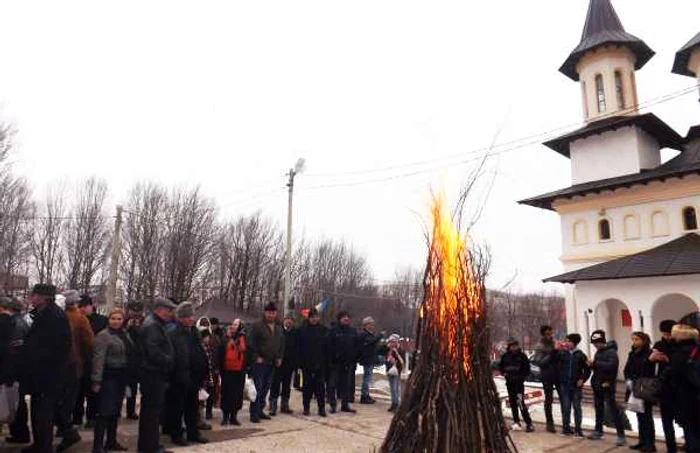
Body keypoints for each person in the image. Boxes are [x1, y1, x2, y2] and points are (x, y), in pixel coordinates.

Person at [21, 284, 72, 453]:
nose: (31, 297)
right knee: (37, 412)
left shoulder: (54, 316)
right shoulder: (42, 313)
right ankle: (39, 444)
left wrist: (31, 351)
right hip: (39, 375)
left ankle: (44, 447)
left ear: (44, 297)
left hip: (48, 376)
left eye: (34, 295)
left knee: (44, 414)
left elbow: (57, 347)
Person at [91, 308, 135, 453]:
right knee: (104, 412)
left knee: (115, 412)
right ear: (108, 320)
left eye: (119, 319)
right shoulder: (103, 336)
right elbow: (98, 359)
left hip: (121, 377)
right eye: (113, 318)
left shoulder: (124, 334)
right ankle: (97, 446)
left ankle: (111, 441)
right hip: (108, 377)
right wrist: (96, 380)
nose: (116, 321)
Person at [165, 302, 209, 446]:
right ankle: (176, 434)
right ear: (180, 317)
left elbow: (199, 351)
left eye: (192, 316)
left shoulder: (194, 332)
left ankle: (193, 433)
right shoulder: (173, 333)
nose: (191, 319)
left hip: (194, 376)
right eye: (187, 316)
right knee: (177, 408)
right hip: (179, 377)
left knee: (192, 407)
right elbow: (170, 356)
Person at [56, 289, 94, 452]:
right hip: (74, 366)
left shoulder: (59, 316)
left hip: (59, 366)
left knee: (58, 401)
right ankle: (67, 431)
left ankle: (64, 430)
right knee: (67, 402)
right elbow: (90, 344)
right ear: (75, 302)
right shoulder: (80, 318)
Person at [137, 297, 176, 453]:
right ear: (159, 309)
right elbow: (153, 351)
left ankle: (150, 444)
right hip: (153, 374)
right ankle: (149, 447)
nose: (170, 313)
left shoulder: (154, 323)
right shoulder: (153, 325)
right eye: (168, 310)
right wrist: (168, 360)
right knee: (152, 413)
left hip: (152, 373)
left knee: (151, 413)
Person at [663, 324, 700, 453]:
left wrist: (666, 371)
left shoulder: (679, 353)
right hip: (696, 396)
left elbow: (676, 376)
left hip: (686, 399)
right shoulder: (696, 350)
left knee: (691, 434)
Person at [586, 329, 626, 446]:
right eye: (593, 344)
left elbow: (612, 367)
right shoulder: (598, 352)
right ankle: (598, 431)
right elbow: (599, 368)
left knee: (613, 410)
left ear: (602, 341)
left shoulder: (611, 352)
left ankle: (621, 435)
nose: (595, 346)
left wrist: (608, 380)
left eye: (596, 343)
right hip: (597, 385)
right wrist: (591, 365)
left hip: (607, 385)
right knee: (598, 410)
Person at [247, 302, 285, 423]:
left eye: (273, 313)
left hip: (272, 362)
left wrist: (279, 357)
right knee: (257, 388)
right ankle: (254, 413)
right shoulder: (257, 325)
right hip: (259, 363)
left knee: (265, 388)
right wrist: (256, 356)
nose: (271, 315)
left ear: (276, 313)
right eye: (269, 312)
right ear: (264, 313)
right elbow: (250, 343)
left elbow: (282, 343)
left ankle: (260, 410)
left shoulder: (279, 327)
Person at [74, 294, 106, 429]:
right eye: (79, 306)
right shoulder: (75, 319)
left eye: (84, 306)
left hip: (94, 360)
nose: (81, 309)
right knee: (77, 392)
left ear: (91, 306)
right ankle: (76, 417)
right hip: (79, 360)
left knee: (93, 392)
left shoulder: (101, 320)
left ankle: (92, 417)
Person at [2, 298, 31, 445]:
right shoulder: (22, 321)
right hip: (20, 367)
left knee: (15, 402)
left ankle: (19, 433)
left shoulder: (13, 323)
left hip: (13, 368)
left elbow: (11, 347)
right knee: (18, 402)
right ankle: (20, 432)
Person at [624, 332, 656, 452]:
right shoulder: (632, 353)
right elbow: (627, 369)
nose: (634, 342)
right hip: (633, 387)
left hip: (645, 387)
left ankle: (650, 444)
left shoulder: (649, 353)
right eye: (633, 339)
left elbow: (649, 370)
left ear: (644, 340)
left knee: (647, 416)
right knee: (639, 416)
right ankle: (642, 441)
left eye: (637, 339)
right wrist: (628, 381)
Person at [650, 319, 678, 453]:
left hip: (678, 388)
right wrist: (652, 359)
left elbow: (680, 364)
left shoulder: (679, 344)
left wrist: (668, 360)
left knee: (684, 420)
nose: (667, 336)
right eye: (665, 334)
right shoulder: (658, 344)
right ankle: (670, 448)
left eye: (669, 334)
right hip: (663, 387)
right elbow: (649, 362)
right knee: (666, 422)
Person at [556, 333, 590, 438]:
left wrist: (582, 379)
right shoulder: (562, 354)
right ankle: (566, 428)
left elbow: (587, 370)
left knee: (577, 407)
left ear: (575, 343)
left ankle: (578, 430)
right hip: (565, 385)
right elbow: (554, 362)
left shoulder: (580, 355)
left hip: (576, 386)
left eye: (569, 341)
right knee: (566, 407)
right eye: (566, 341)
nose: (566, 343)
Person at [498, 338, 534, 432]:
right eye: (512, 346)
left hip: (518, 384)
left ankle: (529, 423)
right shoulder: (505, 356)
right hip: (510, 384)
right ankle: (516, 422)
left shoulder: (522, 356)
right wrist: (504, 373)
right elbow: (501, 367)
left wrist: (520, 376)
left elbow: (527, 369)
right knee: (513, 403)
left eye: (515, 346)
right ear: (509, 347)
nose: (514, 348)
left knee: (520, 402)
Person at [297, 308, 328, 417]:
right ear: (308, 318)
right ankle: (306, 408)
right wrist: (300, 363)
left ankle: (321, 408)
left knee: (320, 388)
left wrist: (325, 362)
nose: (314, 319)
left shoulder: (324, 330)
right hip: (306, 364)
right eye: (312, 317)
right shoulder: (302, 330)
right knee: (307, 388)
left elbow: (327, 348)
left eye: (316, 317)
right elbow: (298, 347)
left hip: (320, 364)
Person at [327, 311, 360, 413]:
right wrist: (333, 357)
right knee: (332, 385)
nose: (346, 319)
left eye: (347, 317)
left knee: (346, 385)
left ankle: (345, 405)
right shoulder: (333, 331)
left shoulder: (353, 331)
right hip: (335, 363)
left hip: (348, 363)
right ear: (339, 319)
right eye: (344, 317)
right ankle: (333, 405)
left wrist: (354, 359)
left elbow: (357, 346)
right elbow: (329, 346)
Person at [218, 319, 247, 426]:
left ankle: (234, 417)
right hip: (227, 370)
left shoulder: (244, 338)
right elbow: (220, 352)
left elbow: (247, 352)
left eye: (236, 324)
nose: (233, 326)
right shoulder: (225, 338)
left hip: (239, 371)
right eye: (233, 324)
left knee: (237, 394)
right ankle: (225, 417)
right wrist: (219, 368)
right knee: (226, 394)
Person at [532, 325, 559, 433]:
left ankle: (566, 424)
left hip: (557, 374)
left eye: (551, 333)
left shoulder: (554, 343)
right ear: (543, 334)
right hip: (547, 375)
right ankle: (550, 423)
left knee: (564, 398)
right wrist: (552, 354)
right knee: (549, 399)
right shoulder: (540, 346)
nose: (550, 336)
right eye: (548, 334)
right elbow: (539, 362)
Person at [269, 314, 298, 415]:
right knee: (275, 384)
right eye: (287, 319)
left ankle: (284, 405)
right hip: (278, 362)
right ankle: (273, 405)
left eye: (291, 320)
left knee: (287, 385)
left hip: (290, 363)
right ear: (284, 320)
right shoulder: (278, 331)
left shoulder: (295, 332)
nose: (289, 321)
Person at [124, 300, 144, 420]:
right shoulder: (124, 321)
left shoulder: (145, 322)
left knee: (138, 387)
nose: (136, 314)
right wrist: (128, 326)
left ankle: (135, 411)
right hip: (128, 359)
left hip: (141, 359)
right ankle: (129, 410)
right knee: (128, 386)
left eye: (138, 311)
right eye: (133, 311)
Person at [358, 316, 383, 405]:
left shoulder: (370, 334)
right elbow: (370, 342)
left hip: (370, 358)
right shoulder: (364, 334)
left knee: (368, 378)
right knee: (367, 378)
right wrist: (379, 336)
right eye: (370, 324)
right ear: (365, 325)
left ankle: (366, 394)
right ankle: (364, 396)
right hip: (367, 359)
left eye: (372, 324)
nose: (372, 326)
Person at [385, 334, 404, 413]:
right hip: (389, 370)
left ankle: (396, 404)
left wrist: (396, 357)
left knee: (395, 388)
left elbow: (402, 361)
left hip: (396, 371)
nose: (392, 343)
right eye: (391, 341)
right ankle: (393, 403)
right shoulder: (389, 350)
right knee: (392, 389)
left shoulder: (399, 350)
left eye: (393, 342)